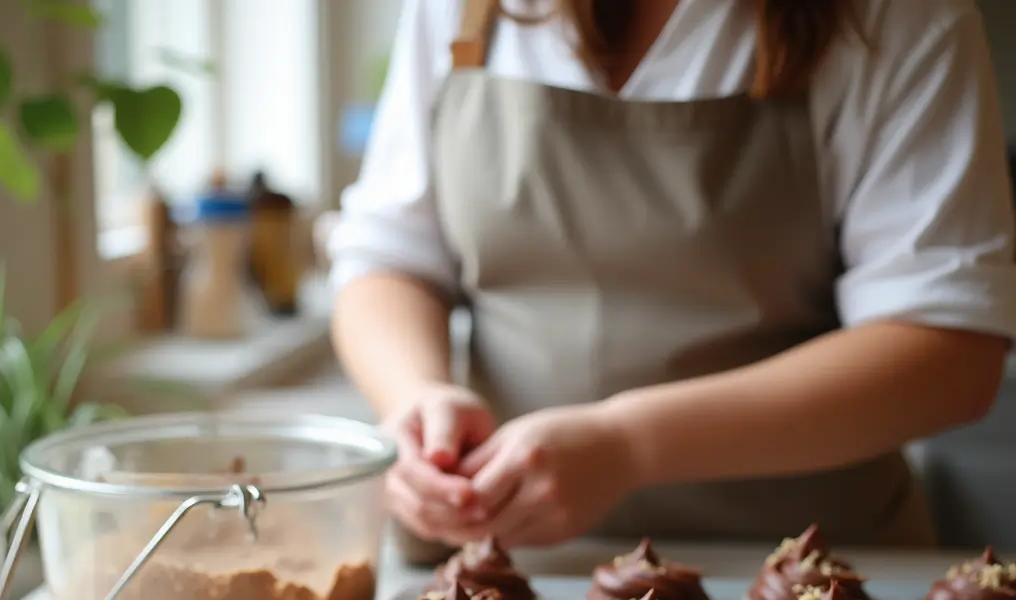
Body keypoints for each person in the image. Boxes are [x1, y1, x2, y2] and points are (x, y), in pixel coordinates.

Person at [330, 0, 1016, 557]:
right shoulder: (464, 11)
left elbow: (949, 352)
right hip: (502, 561)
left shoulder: (900, 19)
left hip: (805, 576)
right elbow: (390, 257)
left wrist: (628, 445)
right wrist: (415, 395)